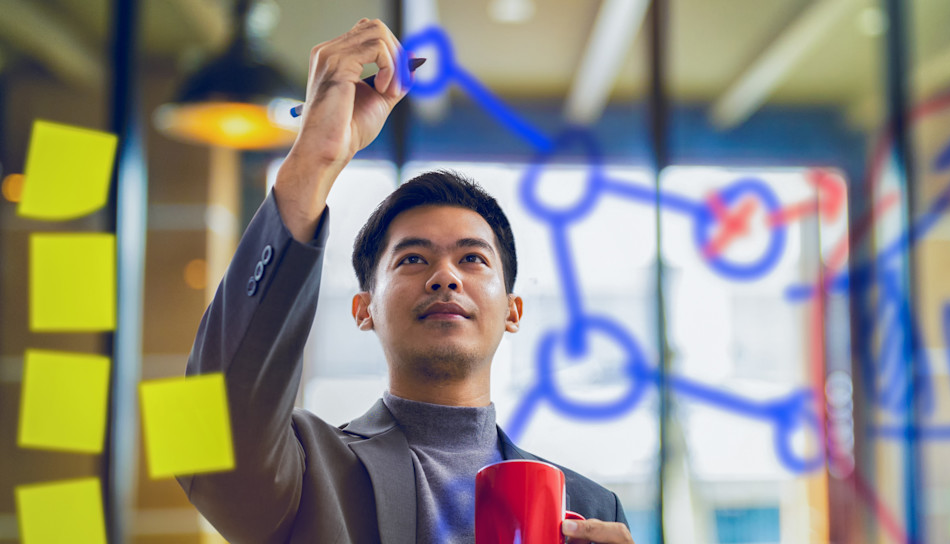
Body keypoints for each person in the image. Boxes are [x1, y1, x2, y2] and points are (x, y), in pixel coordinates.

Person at [177, 18, 635, 544]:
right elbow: (200, 438)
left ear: (513, 311)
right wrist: (314, 161)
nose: (445, 276)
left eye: (473, 259)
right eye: (412, 260)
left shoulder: (591, 506)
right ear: (363, 309)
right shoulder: (311, 472)